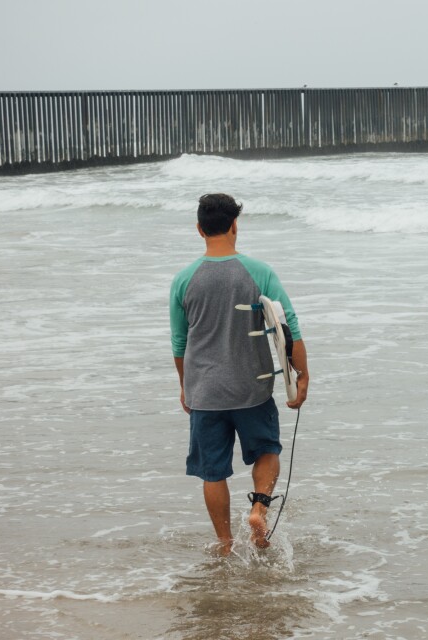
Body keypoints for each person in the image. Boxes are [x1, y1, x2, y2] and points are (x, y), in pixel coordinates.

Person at [169, 193, 309, 556]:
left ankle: (224, 544)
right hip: (253, 387)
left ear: (199, 229)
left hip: (206, 391)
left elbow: (179, 343)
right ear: (234, 226)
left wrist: (186, 388)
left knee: (212, 472)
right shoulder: (258, 271)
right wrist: (301, 375)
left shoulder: (184, 279)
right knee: (267, 451)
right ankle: (258, 510)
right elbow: (287, 325)